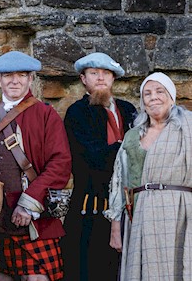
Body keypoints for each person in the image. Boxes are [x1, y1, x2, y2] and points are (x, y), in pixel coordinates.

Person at [0, 51, 71, 281]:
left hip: (34, 217)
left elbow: (60, 163)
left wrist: (29, 203)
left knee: (36, 278)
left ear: (30, 79)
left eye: (22, 75)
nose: (15, 81)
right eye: (8, 75)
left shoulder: (46, 115)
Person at [105, 72, 192, 280]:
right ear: (142, 102)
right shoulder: (133, 135)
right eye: (147, 94)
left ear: (171, 96)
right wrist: (115, 227)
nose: (153, 97)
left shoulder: (188, 129)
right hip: (141, 212)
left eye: (160, 91)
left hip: (180, 211)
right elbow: (119, 182)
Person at [61, 52, 137, 281]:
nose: (100, 78)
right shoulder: (77, 113)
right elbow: (91, 157)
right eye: (94, 73)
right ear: (84, 79)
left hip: (130, 206)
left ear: (113, 78)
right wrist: (126, 148)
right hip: (90, 206)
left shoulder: (129, 110)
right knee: (88, 270)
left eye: (106, 73)